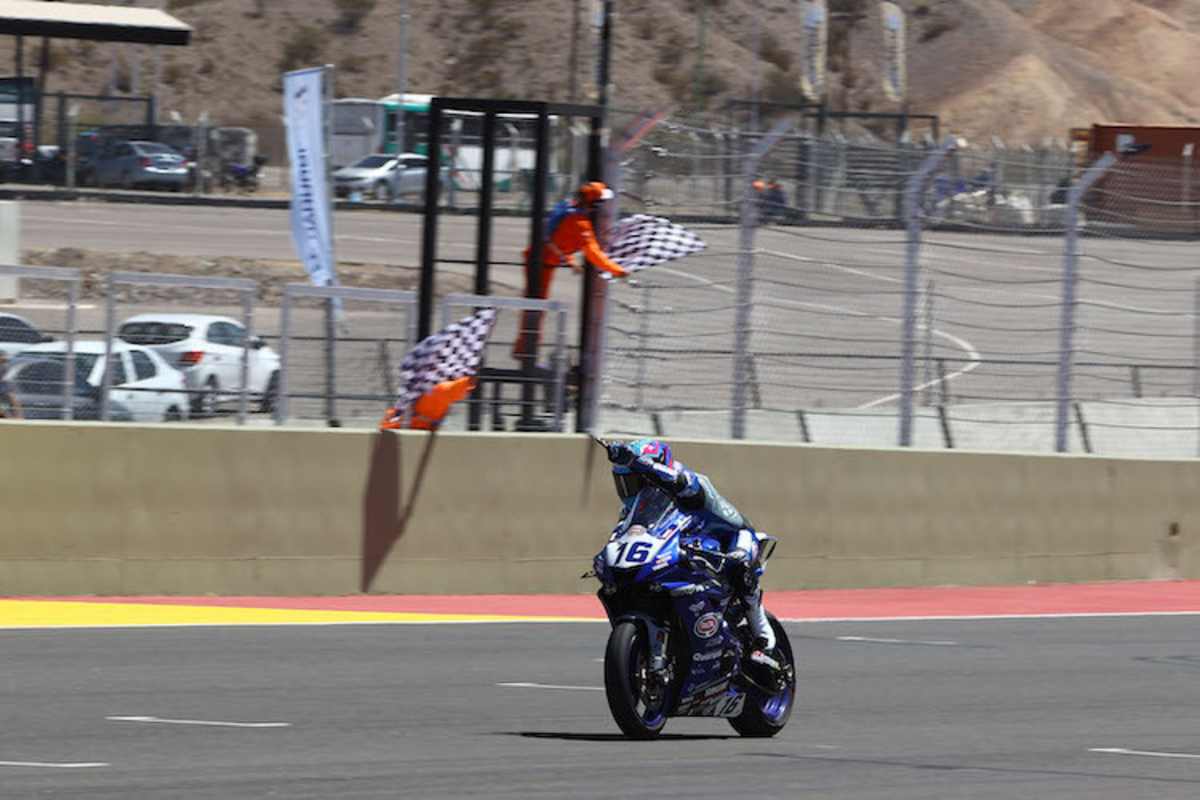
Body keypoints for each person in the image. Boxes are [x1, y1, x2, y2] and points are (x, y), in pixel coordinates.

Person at [606, 438, 783, 680]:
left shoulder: (686, 479)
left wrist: (638, 462)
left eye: (636, 481)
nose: (631, 490)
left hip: (729, 538)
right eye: (624, 483)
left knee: (738, 563)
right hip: (684, 553)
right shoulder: (634, 511)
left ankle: (763, 634)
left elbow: (680, 487)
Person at [514, 181, 627, 358]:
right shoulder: (580, 223)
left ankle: (526, 347)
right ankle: (525, 349)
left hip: (542, 261)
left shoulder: (570, 207)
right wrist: (618, 270)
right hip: (541, 264)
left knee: (535, 306)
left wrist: (569, 259)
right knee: (535, 306)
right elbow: (594, 254)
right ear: (593, 204)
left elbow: (558, 238)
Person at [379, 376, 474, 431]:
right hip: (401, 429)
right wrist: (469, 380)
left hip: (409, 428)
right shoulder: (440, 389)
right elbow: (453, 388)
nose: (467, 394)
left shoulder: (433, 389)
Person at [0, 353, 23, 419]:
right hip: (4, 387)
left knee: (12, 399)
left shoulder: (5, 366)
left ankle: (17, 418)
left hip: (5, 387)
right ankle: (11, 417)